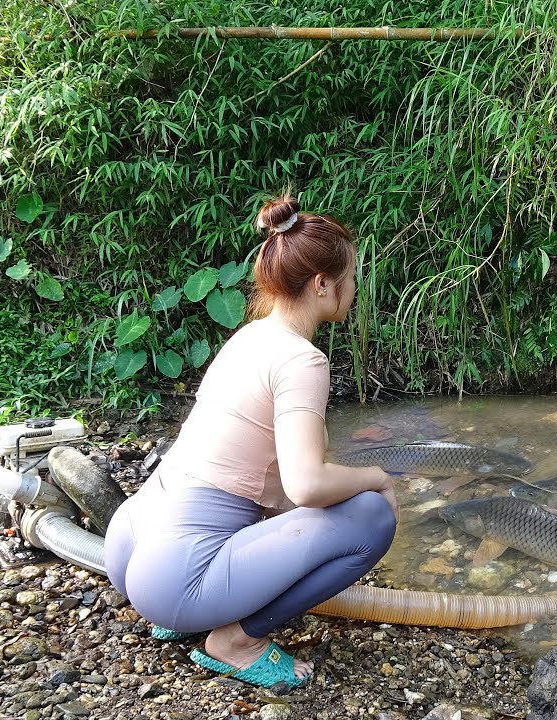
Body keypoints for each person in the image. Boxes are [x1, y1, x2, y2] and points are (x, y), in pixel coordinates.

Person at [103, 194, 398, 691]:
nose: (353, 288)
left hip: (131, 544)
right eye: (350, 278)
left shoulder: (249, 337)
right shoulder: (303, 361)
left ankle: (188, 615)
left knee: (317, 511)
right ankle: (237, 641)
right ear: (323, 284)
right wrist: (378, 477)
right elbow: (305, 486)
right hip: (176, 577)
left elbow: (269, 482)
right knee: (372, 516)